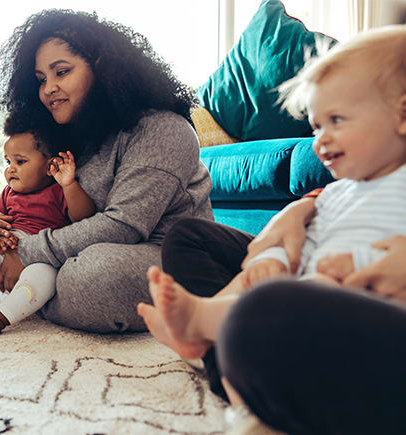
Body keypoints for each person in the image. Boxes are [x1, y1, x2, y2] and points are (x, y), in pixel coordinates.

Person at [139, 26, 406, 434]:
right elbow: (302, 243)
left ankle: (211, 330)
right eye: (316, 127)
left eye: (336, 120)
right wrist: (273, 256)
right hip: (312, 310)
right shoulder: (336, 195)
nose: (320, 141)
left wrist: (357, 264)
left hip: (362, 318)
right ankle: (250, 391)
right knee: (192, 240)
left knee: (270, 306)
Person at [0, 10, 212, 332]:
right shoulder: (75, 131)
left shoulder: (162, 128)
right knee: (53, 270)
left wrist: (22, 250)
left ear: (102, 68)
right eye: (41, 79)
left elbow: (123, 226)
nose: (48, 88)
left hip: (162, 257)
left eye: (62, 72)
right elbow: (29, 198)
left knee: (91, 276)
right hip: (79, 250)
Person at [0, 118, 95, 338]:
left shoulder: (59, 191)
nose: (10, 169)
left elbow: (84, 217)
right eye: (7, 161)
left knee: (43, 279)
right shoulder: (8, 193)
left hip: (39, 261)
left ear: (50, 167)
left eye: (20, 162)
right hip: (2, 257)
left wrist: (69, 185)